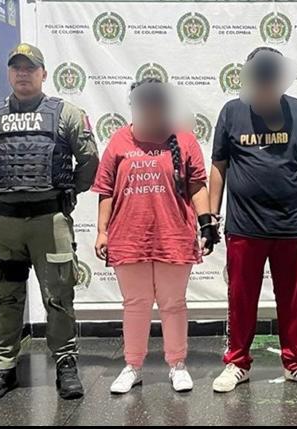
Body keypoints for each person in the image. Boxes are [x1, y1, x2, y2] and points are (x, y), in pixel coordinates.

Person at [0, 43, 99, 403]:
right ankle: (3, 369)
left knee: (59, 297)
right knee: (6, 298)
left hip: (49, 220)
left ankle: (66, 365)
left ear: (43, 73)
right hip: (5, 223)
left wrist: (66, 193)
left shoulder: (66, 114)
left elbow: (89, 160)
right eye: (17, 68)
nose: (23, 73)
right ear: (9, 73)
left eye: (30, 68)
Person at [208, 47, 297, 393]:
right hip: (244, 226)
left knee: (292, 300)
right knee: (241, 299)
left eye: (270, 77)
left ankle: (296, 363)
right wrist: (211, 217)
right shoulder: (231, 112)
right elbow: (219, 166)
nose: (264, 84)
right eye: (258, 77)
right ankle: (237, 363)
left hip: (292, 225)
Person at [91, 78, 220, 394]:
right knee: (135, 304)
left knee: (173, 304)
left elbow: (197, 186)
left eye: (156, 102)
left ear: (165, 104)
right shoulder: (119, 141)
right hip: (128, 237)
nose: (151, 107)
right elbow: (106, 190)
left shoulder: (184, 140)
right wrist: (102, 231)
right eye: (144, 102)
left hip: (173, 235)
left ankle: (177, 364)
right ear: (135, 105)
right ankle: (133, 366)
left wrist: (206, 224)